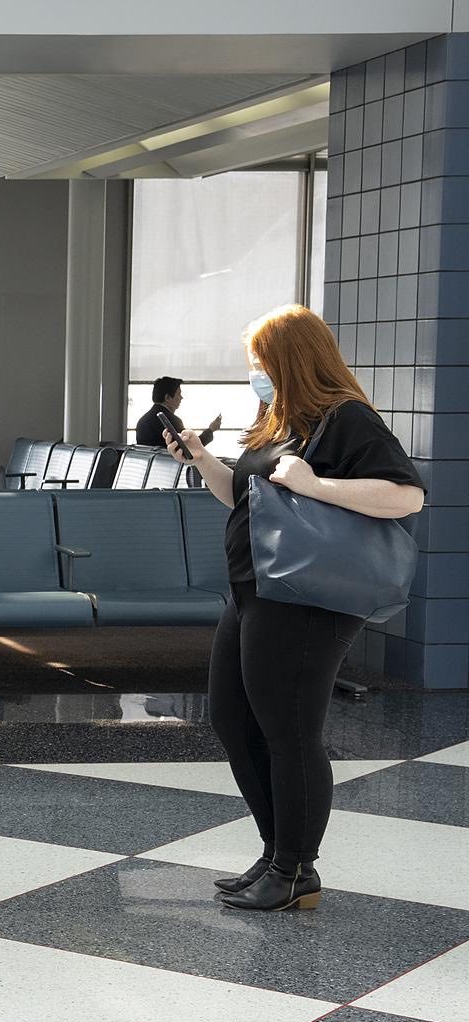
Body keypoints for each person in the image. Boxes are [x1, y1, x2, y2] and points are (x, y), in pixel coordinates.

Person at [167, 305, 424, 912]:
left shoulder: (347, 418)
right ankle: (275, 850)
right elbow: (246, 498)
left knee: (289, 733)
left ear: (292, 360)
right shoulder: (277, 420)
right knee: (234, 721)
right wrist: (203, 459)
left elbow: (404, 494)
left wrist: (314, 484)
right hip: (254, 590)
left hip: (305, 601)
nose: (255, 374)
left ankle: (295, 869)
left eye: (261, 363)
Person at [137, 376, 221, 451]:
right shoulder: (171, 421)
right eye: (178, 394)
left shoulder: (143, 420)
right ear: (167, 397)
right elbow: (190, 449)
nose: (181, 398)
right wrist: (211, 430)